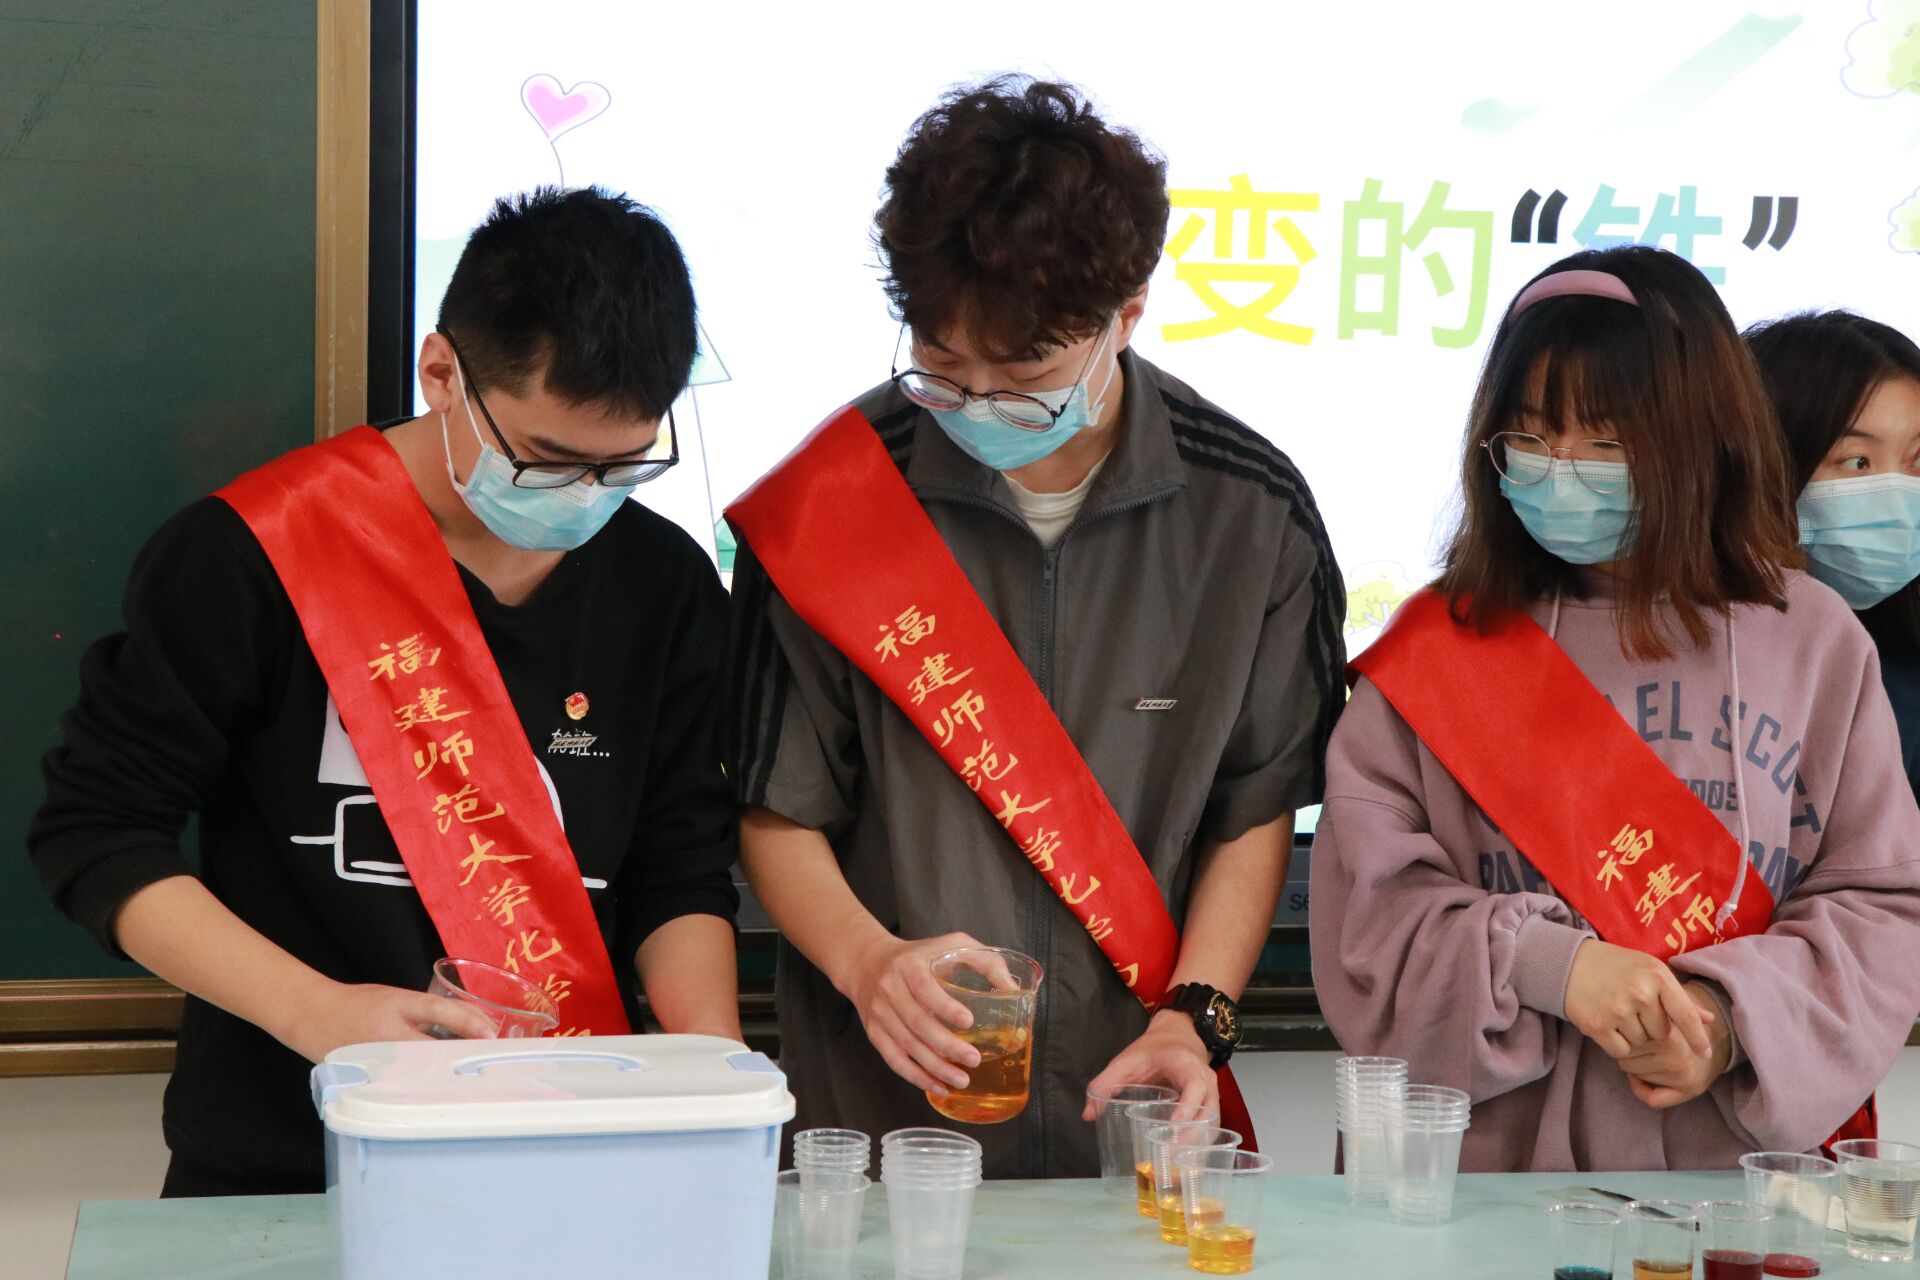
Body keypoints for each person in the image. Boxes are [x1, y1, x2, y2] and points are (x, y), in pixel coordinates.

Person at [28, 187, 742, 1196]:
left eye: (626, 465)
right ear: (440, 372)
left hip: (568, 1143)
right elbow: (96, 832)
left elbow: (679, 865)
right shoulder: (252, 554)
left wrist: (712, 1076)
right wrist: (319, 1014)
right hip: (287, 1154)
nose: (586, 497)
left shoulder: (664, 584)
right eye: (546, 460)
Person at [727, 76, 1346, 1178]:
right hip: (887, 1122)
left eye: (1025, 376)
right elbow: (776, 803)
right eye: (940, 366)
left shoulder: (1249, 515)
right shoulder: (833, 506)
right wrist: (867, 961)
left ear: (1127, 314)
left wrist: (1195, 1014)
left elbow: (1256, 807)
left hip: (1137, 1115)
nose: (975, 405)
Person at [1309, 245, 1920, 1170]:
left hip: (1721, 1185)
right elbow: (1367, 916)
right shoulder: (1440, 645)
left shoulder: (1813, 640)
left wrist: (1724, 1021)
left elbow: (1880, 907)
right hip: (1469, 1181)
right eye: (1530, 439)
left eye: (1605, 443)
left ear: (1700, 438)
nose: (1563, 473)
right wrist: (1554, 970)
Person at [1746, 310, 1920, 798]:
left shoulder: (1906, 666)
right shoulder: (1688, 652)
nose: (1898, 498)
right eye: (1858, 462)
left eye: (1918, 459)